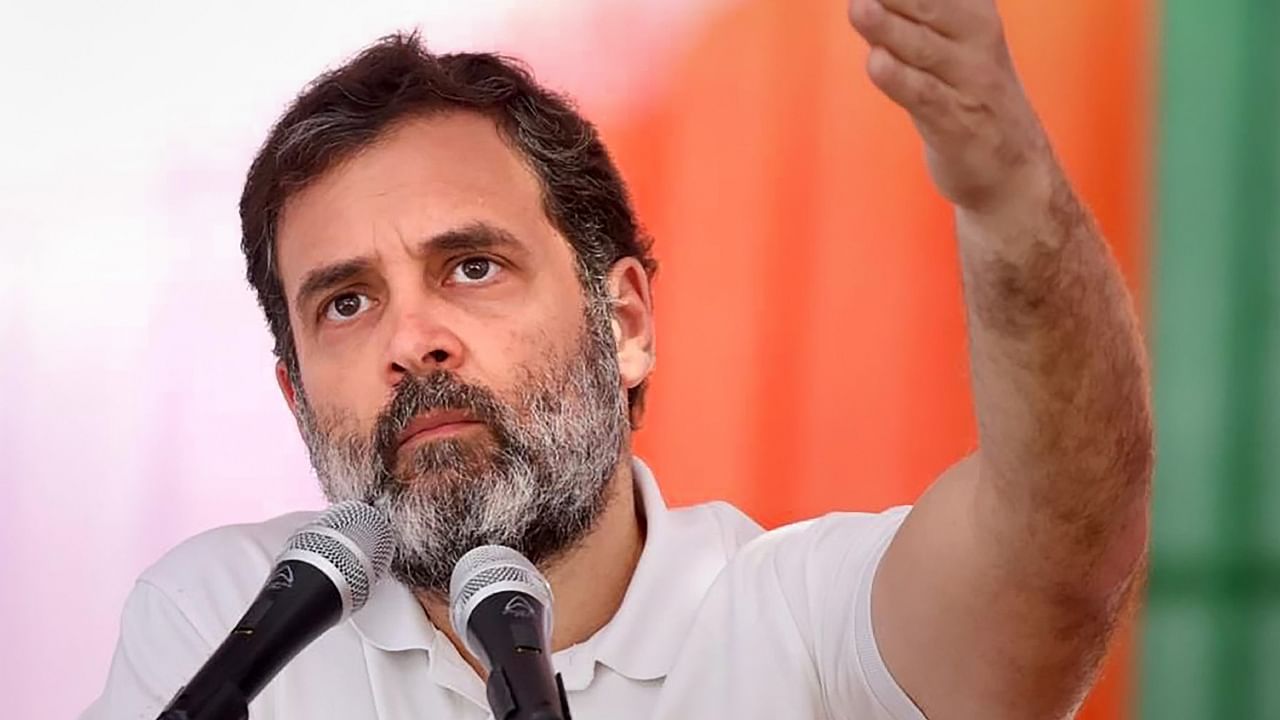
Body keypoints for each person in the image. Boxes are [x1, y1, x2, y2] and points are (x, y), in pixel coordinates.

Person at [84, 0, 1153, 718]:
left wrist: (1010, 199)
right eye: (347, 301)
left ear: (626, 323)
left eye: (470, 268)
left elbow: (1056, 549)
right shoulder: (217, 617)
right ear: (295, 396)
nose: (412, 342)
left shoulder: (798, 623)